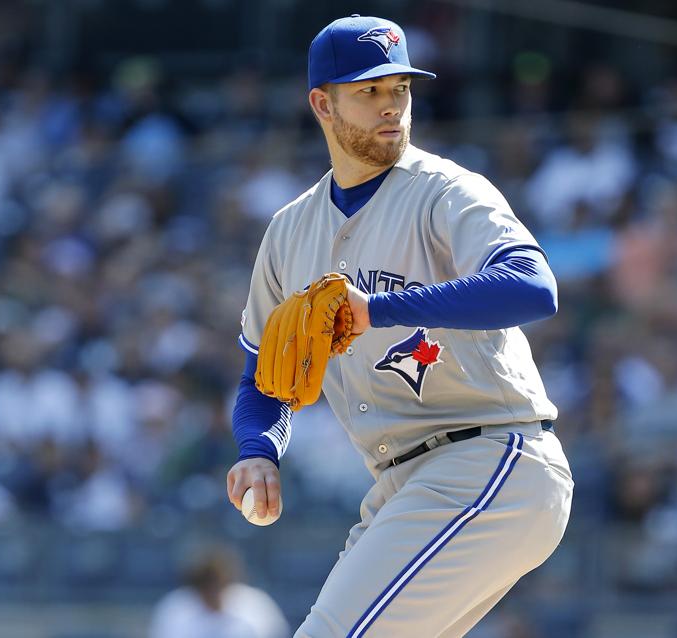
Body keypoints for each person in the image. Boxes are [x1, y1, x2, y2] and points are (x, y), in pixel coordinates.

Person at [226, 14, 574, 637]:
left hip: (490, 458)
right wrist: (259, 451)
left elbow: (533, 286)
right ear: (322, 104)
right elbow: (262, 378)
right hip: (401, 486)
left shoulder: (446, 191)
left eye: (401, 89)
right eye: (369, 92)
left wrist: (379, 308)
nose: (392, 107)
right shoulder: (288, 232)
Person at [148, 544, 290, 638]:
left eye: (216, 585)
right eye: (205, 587)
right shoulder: (174, 609)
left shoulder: (255, 604)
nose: (212, 592)